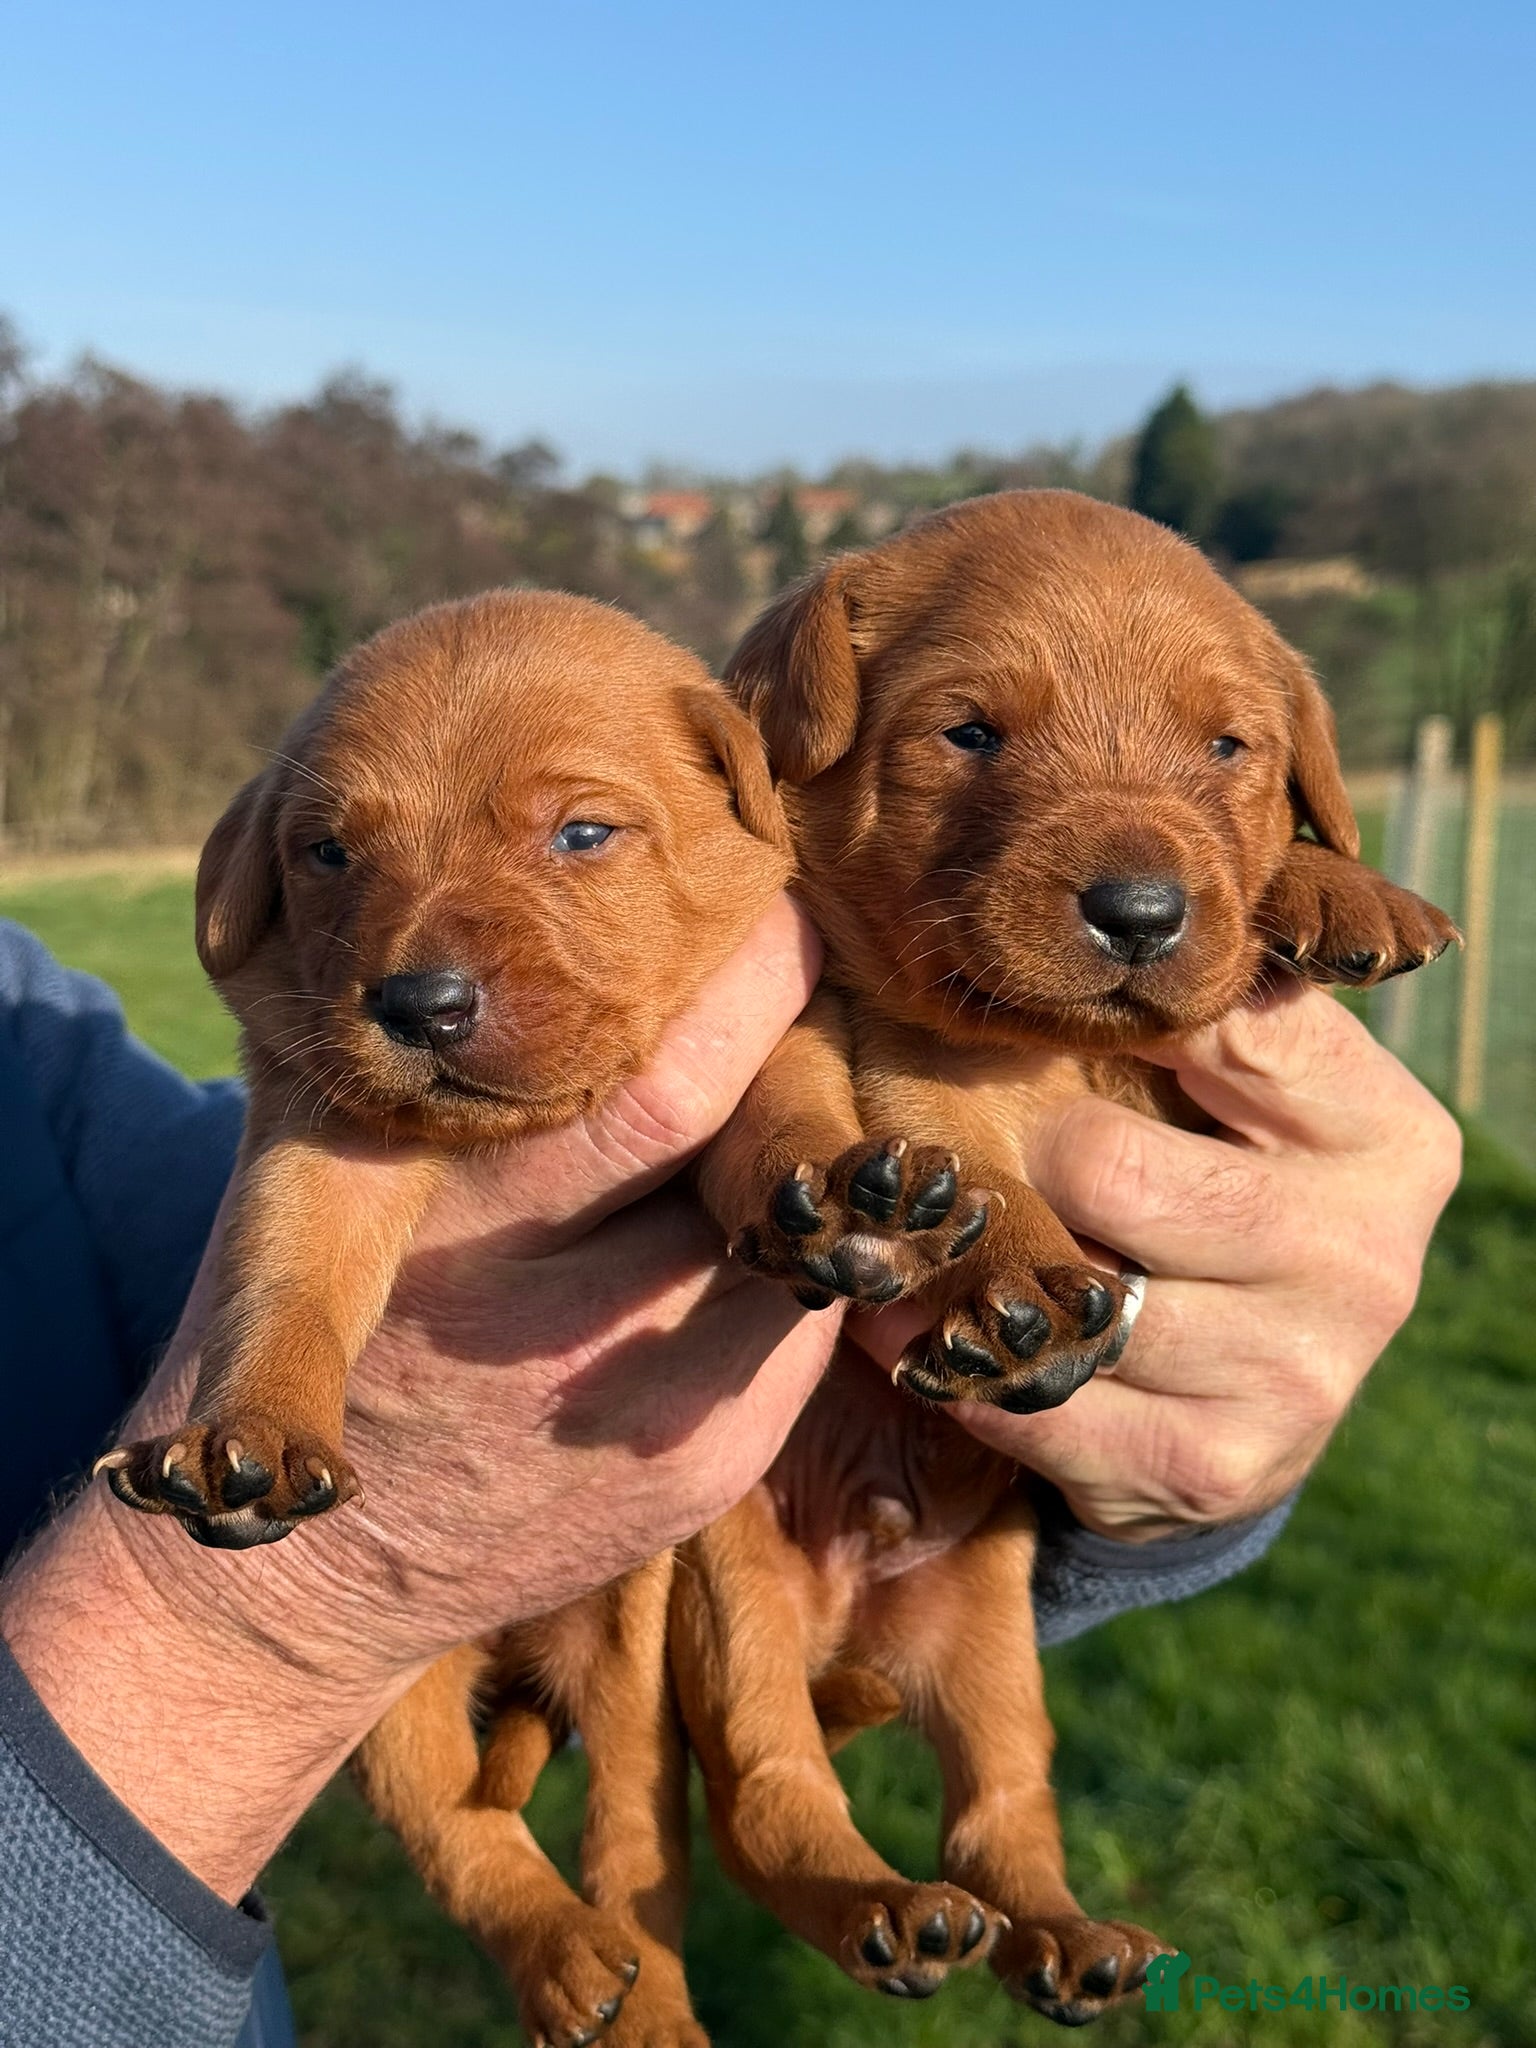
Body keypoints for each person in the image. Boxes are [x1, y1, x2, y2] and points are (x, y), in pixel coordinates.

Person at [0, 900, 1460, 2047]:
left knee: (898, 1743)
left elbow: (266, 1232)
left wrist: (1148, 1456)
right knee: (640, 1772)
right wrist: (257, 1614)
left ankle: (989, 1873)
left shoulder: (29, 1047)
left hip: (906, 1494)